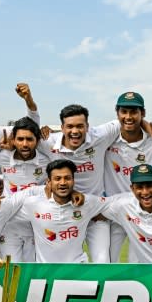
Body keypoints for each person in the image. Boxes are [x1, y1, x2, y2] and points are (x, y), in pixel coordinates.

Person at [104, 92, 152, 262]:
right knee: (107, 263)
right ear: (117, 113)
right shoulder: (108, 140)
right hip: (114, 213)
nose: (128, 116)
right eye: (124, 111)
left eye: (134, 112)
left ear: (142, 113)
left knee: (140, 267)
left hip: (143, 215)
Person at [41, 104, 121, 263]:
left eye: (80, 126)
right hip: (65, 213)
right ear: (62, 128)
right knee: (63, 263)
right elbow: (20, 136)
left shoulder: (100, 136)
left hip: (95, 213)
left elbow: (128, 119)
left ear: (87, 127)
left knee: (103, 261)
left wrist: (150, 129)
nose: (75, 131)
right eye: (69, 126)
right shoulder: (48, 142)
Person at [15, 159, 108, 263]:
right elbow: (6, 213)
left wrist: (101, 215)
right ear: (49, 182)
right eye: (57, 179)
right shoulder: (33, 204)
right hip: (46, 272)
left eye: (67, 178)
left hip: (77, 270)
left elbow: (113, 206)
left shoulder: (87, 202)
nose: (63, 183)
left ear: (73, 180)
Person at [0, 116, 50, 262]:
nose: (25, 144)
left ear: (37, 141)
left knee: (30, 274)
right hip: (9, 227)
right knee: (11, 271)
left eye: (29, 139)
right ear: (13, 140)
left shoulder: (46, 161)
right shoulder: (2, 157)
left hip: (36, 227)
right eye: (20, 139)